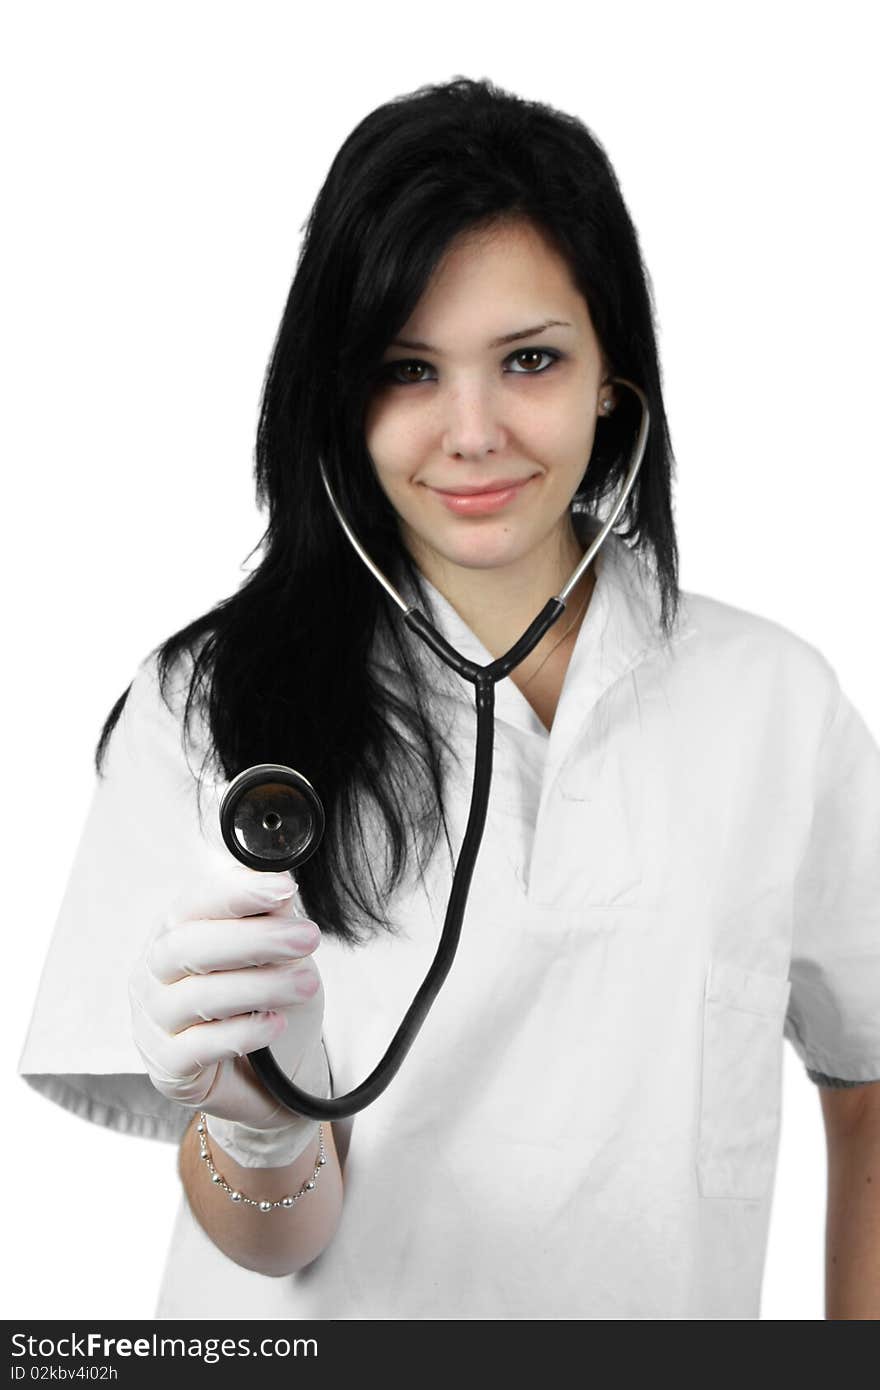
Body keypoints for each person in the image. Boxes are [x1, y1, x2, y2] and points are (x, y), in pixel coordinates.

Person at [18, 75, 880, 1321]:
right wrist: (262, 1125)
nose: (472, 432)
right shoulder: (206, 706)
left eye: (528, 359)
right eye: (408, 369)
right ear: (337, 399)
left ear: (611, 380)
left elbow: (865, 1072)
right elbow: (274, 1246)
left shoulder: (773, 705)